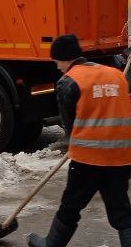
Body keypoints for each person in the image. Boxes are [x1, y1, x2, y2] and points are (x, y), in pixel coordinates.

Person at [28, 34, 131, 247]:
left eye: (56, 61)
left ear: (64, 58)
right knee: (120, 209)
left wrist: (77, 139)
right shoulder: (116, 75)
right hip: (121, 157)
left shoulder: (68, 81)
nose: (57, 67)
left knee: (71, 206)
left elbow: (70, 126)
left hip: (88, 160)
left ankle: (51, 244)